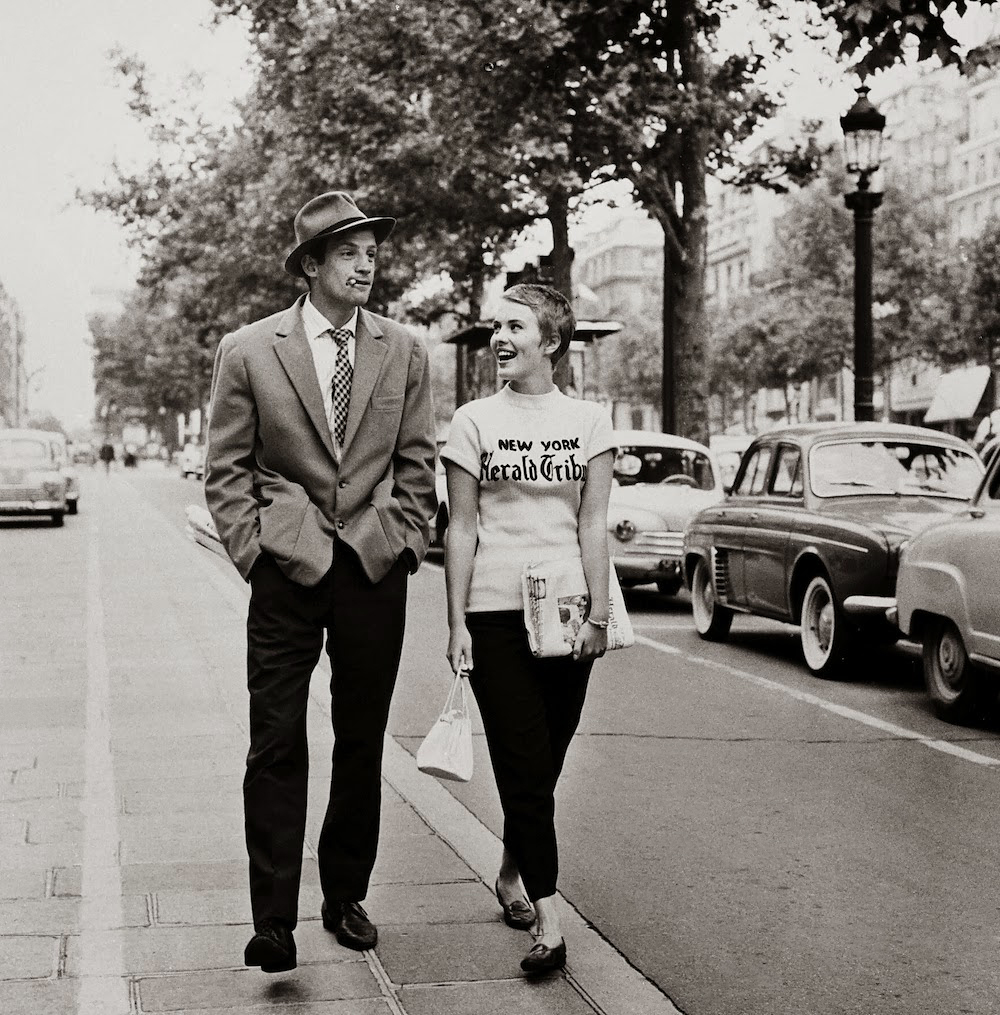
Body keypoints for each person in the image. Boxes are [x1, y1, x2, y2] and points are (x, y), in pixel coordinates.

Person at [205, 190, 437, 974]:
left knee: (361, 741)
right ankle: (274, 920)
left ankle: (345, 896)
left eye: (372, 252)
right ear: (310, 265)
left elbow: (418, 462)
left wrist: (402, 541)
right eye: (348, 253)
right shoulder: (248, 350)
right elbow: (226, 467)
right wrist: (254, 553)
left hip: (372, 568)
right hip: (287, 566)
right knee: (274, 740)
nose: (366, 265)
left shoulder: (404, 350)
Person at [441, 283, 615, 975]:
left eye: (515, 326)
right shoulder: (473, 421)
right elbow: (461, 527)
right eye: (496, 326)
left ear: (552, 341)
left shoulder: (589, 421)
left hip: (568, 615)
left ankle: (511, 873)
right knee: (522, 762)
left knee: (544, 765)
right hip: (493, 613)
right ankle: (549, 918)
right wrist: (455, 621)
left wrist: (599, 614)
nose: (500, 338)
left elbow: (593, 522)